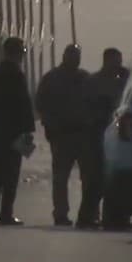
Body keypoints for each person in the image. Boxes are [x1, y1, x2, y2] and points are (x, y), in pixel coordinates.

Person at [76, 47, 132, 230]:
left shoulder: (123, 81)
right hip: (97, 135)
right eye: (114, 61)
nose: (117, 65)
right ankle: (86, 217)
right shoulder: (94, 82)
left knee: (117, 180)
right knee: (96, 180)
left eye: (119, 61)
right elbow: (84, 108)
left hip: (118, 136)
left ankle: (116, 218)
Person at [35, 44, 89, 227]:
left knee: (87, 178)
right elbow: (41, 104)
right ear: (65, 57)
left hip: (82, 134)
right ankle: (61, 214)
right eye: (72, 56)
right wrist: (49, 124)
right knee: (61, 178)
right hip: (62, 134)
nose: (75, 59)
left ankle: (88, 214)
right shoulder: (52, 79)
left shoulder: (84, 78)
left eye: (77, 56)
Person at [0, 36, 35, 226]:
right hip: (14, 131)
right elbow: (23, 103)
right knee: (10, 174)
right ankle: (6, 213)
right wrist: (28, 128)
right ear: (17, 53)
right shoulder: (16, 74)